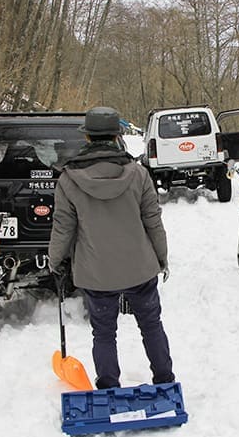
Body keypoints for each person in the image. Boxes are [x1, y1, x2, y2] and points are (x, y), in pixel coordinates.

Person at [48, 106, 174, 390]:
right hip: (139, 268)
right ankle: (165, 380)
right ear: (117, 135)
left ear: (88, 138)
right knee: (151, 325)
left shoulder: (68, 180)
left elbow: (63, 228)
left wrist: (55, 260)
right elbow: (153, 220)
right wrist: (162, 257)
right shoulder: (138, 174)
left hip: (96, 273)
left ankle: (108, 386)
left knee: (104, 333)